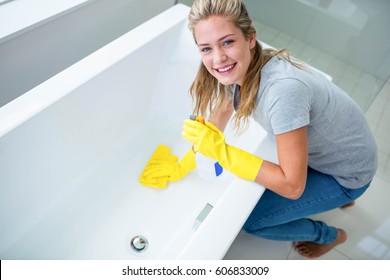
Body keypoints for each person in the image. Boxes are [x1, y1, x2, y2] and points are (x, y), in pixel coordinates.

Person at [140, 0, 377, 258]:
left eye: (227, 42)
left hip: (348, 174)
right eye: (206, 48)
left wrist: (223, 153)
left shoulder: (283, 91)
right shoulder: (240, 68)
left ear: (250, 38)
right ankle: (341, 198)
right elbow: (217, 121)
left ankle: (330, 235)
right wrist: (183, 165)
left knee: (251, 220)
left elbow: (292, 186)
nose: (218, 58)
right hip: (345, 148)